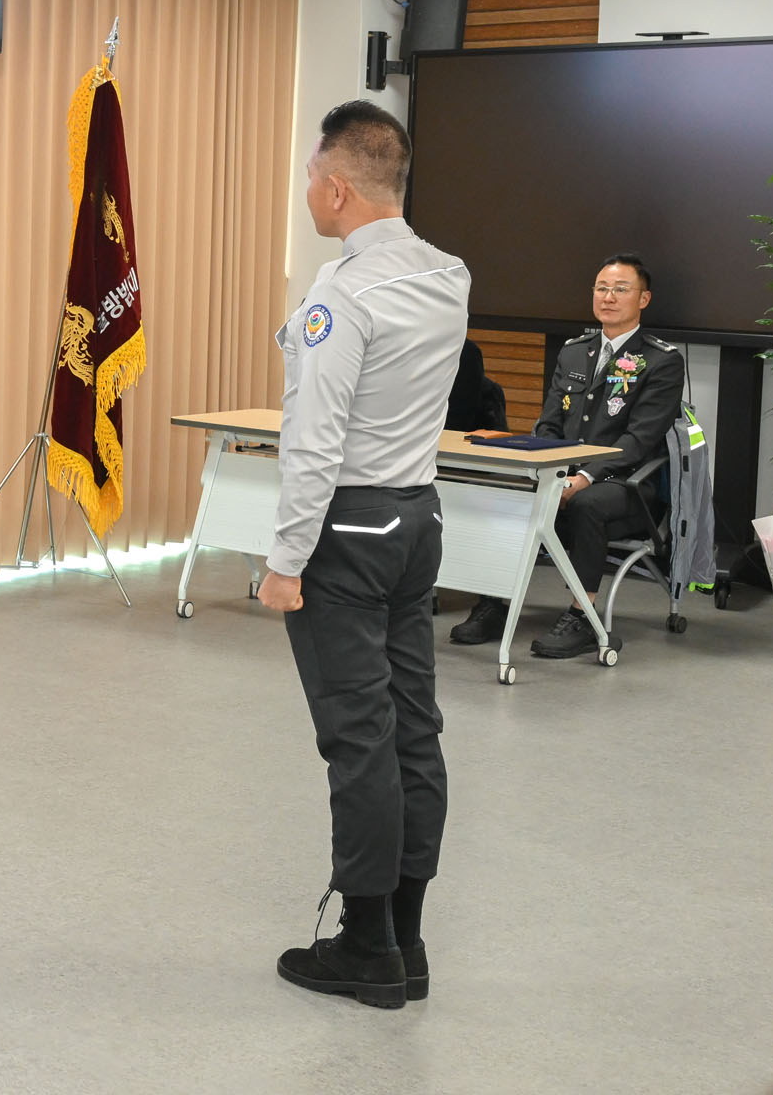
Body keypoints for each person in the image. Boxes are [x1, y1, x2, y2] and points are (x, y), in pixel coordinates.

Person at [257, 100, 470, 1009]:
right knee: (413, 727)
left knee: (359, 739)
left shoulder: (341, 296)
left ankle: (366, 948)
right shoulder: (447, 274)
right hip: (415, 520)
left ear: (338, 188)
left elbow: (315, 441)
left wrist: (285, 561)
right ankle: (407, 940)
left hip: (345, 529)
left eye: (312, 175)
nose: (307, 189)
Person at [525, 252, 684, 660]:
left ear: (643, 299)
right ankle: (494, 601)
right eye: (601, 288)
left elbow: (639, 440)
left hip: (627, 485)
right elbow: (548, 424)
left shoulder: (662, 360)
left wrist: (584, 478)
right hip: (564, 475)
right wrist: (551, 473)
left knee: (588, 504)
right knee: (509, 493)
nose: (608, 297)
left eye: (620, 289)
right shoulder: (573, 352)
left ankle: (582, 616)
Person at [445, 340, 515, 645]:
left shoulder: (464, 352)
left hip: (455, 464)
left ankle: (491, 604)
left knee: (498, 500)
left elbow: (454, 425)